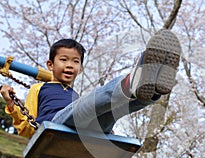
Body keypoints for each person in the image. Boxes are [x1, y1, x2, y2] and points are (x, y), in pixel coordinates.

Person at [0, 29, 181, 138]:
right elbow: (26, 126)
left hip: (87, 132)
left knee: (114, 109)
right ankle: (135, 77)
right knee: (92, 101)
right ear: (50, 64)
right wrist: (11, 103)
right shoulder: (39, 88)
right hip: (55, 124)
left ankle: (153, 89)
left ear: (81, 68)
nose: (70, 65)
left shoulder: (74, 95)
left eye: (76, 62)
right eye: (63, 60)